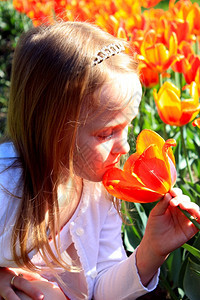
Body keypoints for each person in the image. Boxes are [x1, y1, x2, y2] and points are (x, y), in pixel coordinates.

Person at [0, 21, 199, 300]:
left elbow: (100, 289)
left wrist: (151, 251)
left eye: (127, 125)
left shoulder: (101, 190)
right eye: (106, 133)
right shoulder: (6, 186)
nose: (124, 146)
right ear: (50, 128)